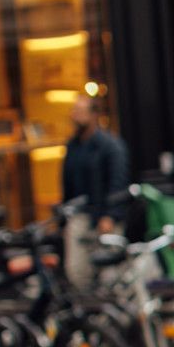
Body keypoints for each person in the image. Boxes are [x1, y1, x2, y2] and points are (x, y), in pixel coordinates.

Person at [61, 95, 130, 283]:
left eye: (80, 111)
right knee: (77, 269)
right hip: (80, 215)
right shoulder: (72, 146)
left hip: (104, 216)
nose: (75, 115)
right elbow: (68, 182)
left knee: (109, 273)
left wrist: (111, 215)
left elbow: (118, 181)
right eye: (74, 111)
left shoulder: (110, 146)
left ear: (94, 114)